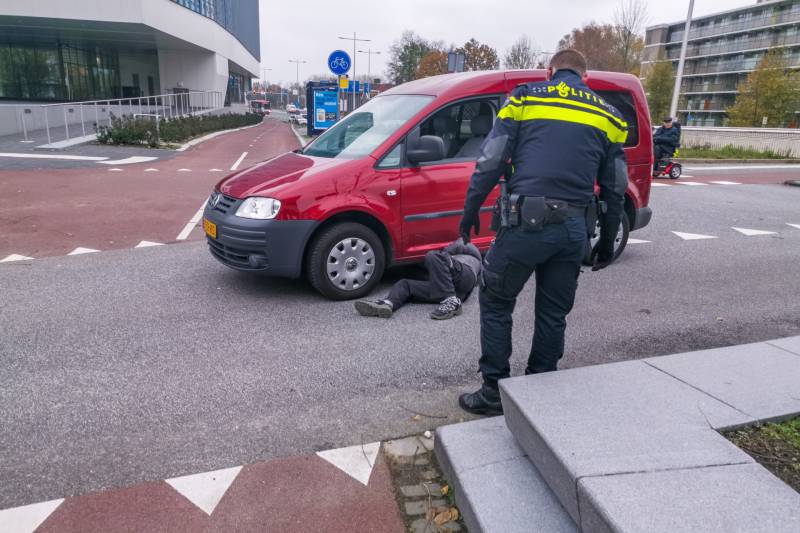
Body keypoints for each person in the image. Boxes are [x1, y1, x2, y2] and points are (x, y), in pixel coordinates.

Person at [457, 49, 628, 416]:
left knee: (497, 300)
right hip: (574, 231)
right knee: (553, 313)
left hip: (524, 226)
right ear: (586, 78)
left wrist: (470, 211)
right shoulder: (609, 115)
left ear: (549, 72)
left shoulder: (523, 98)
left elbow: (491, 160)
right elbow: (615, 186)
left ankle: (493, 391)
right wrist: (606, 241)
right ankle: (538, 391)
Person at [354, 238, 482, 320]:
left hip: (465, 275)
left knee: (433, 255)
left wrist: (445, 252)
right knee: (405, 284)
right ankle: (388, 304)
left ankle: (451, 301)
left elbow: (459, 245)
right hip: (455, 291)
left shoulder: (470, 253)